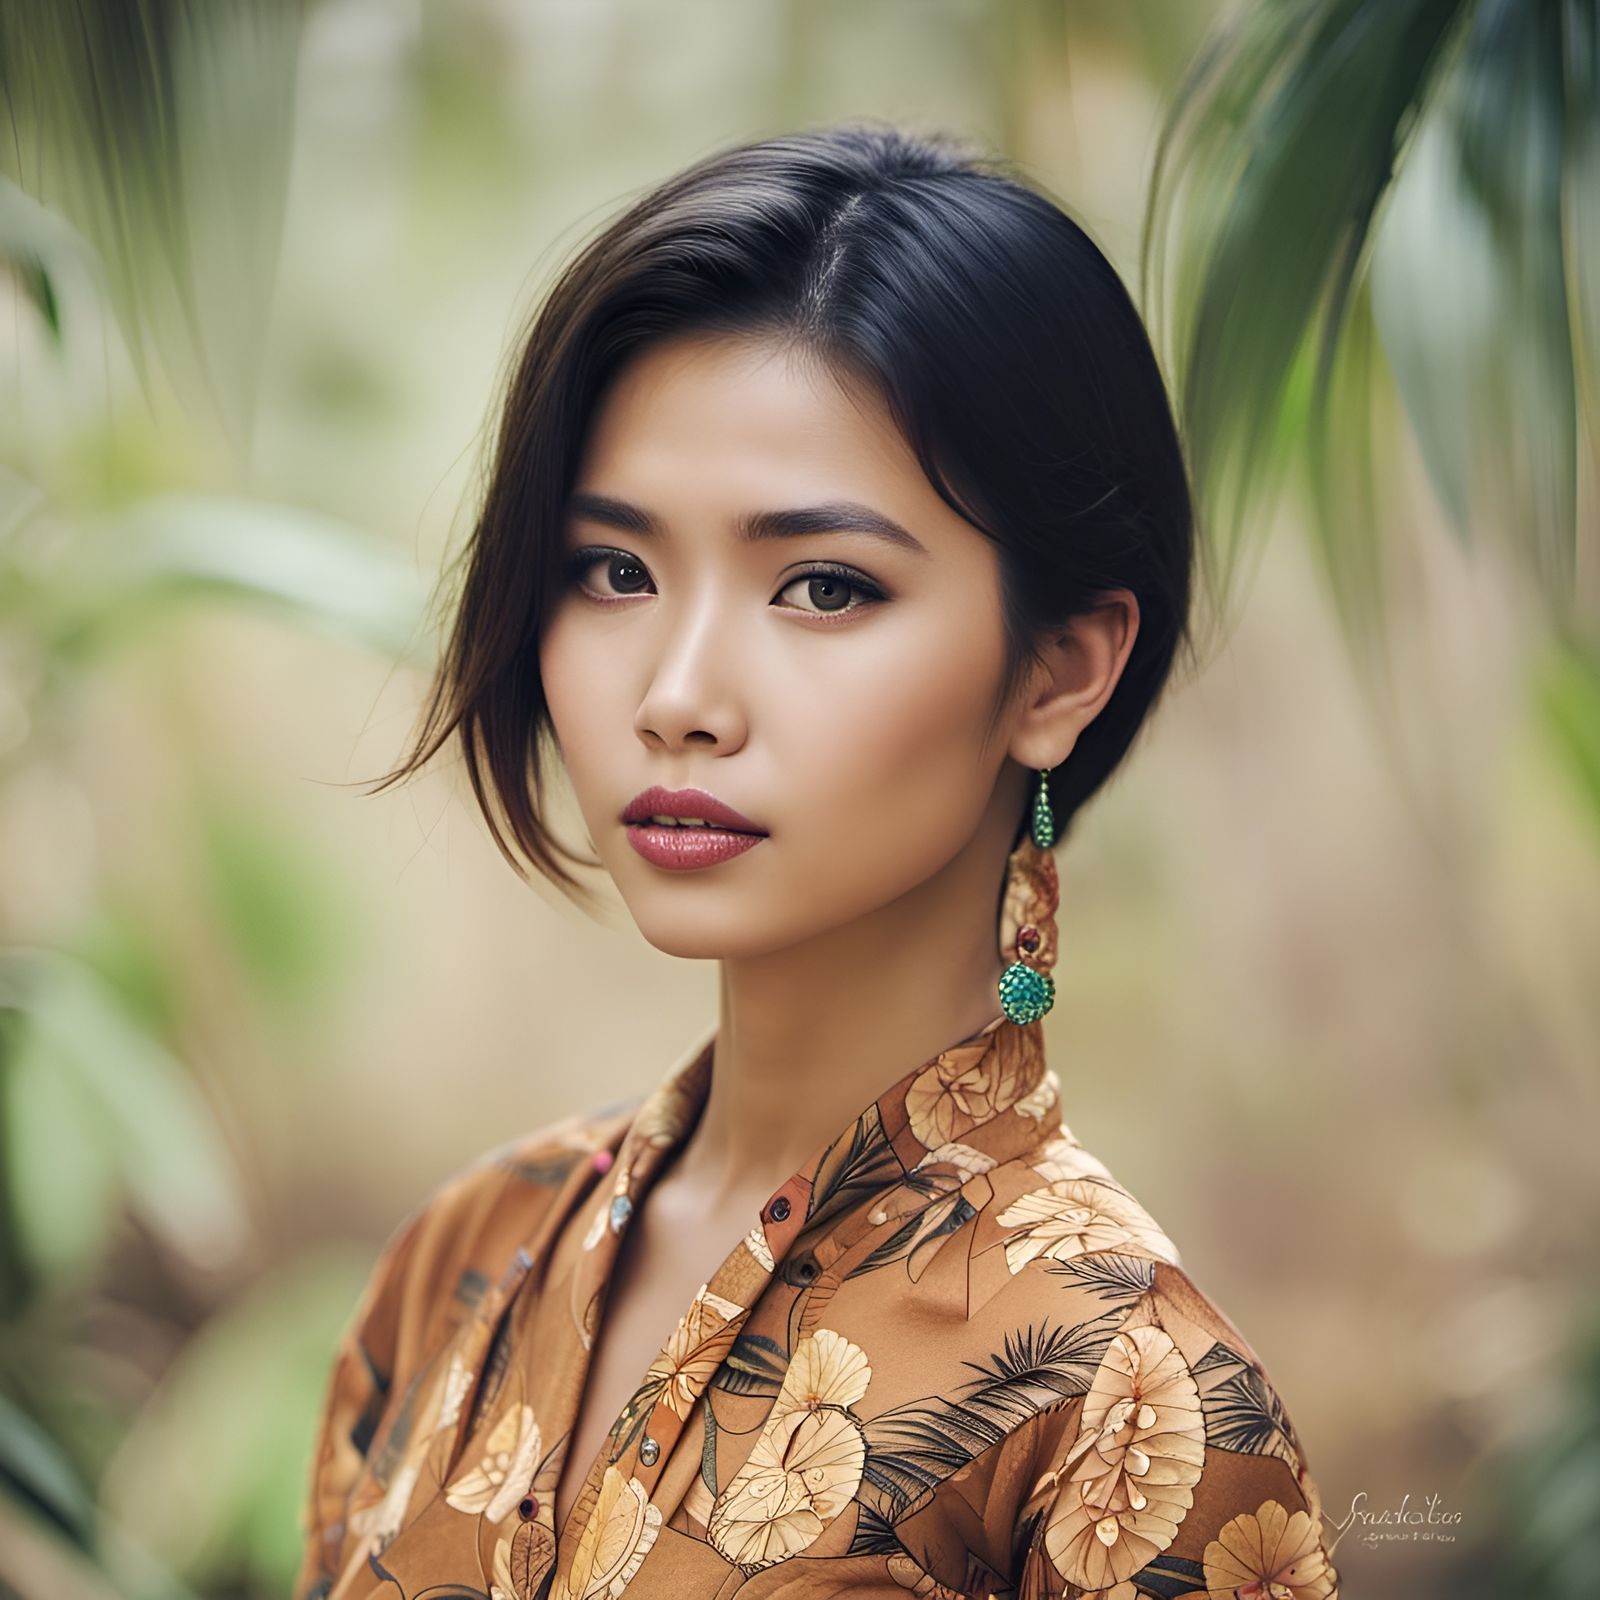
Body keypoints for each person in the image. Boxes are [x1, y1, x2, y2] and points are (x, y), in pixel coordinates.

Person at [293, 120, 1342, 1600]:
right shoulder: (464, 1259)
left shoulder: (1137, 1408)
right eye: (616, 570)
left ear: (1060, 669)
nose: (677, 693)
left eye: (824, 586)